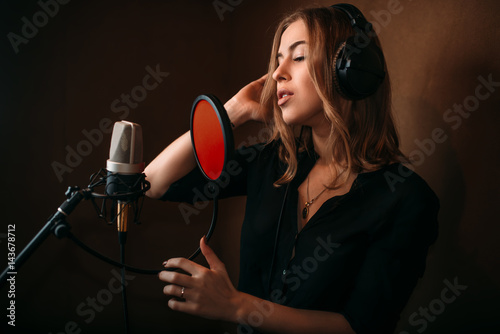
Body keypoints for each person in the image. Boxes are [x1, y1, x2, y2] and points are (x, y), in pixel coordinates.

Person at [145, 4, 439, 334]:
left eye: (298, 57)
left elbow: (362, 326)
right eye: (278, 59)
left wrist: (237, 306)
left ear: (350, 72)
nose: (277, 73)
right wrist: (231, 112)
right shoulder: (274, 162)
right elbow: (154, 183)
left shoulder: (405, 198)